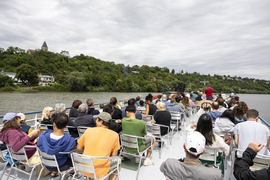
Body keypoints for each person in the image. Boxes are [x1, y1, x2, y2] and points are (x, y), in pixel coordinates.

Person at [77, 112, 120, 179]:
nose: (95, 121)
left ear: (101, 122)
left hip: (83, 168)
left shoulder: (88, 130)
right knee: (118, 162)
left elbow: (79, 147)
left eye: (97, 119)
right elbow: (113, 156)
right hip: (100, 172)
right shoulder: (115, 135)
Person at [37, 112, 76, 177]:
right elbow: (71, 156)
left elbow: (40, 148)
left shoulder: (42, 136)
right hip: (61, 165)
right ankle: (71, 175)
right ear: (66, 125)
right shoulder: (70, 140)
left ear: (54, 124)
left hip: (46, 164)